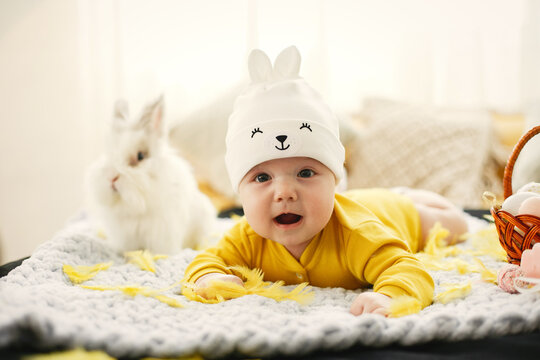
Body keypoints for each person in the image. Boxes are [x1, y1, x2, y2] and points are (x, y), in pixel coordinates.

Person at [183, 46, 468, 316]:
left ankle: (406, 196)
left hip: (397, 211)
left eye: (305, 173)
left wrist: (390, 296)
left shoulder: (357, 234)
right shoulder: (245, 239)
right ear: (240, 193)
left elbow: (408, 269)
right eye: (262, 177)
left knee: (457, 225)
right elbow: (205, 262)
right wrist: (210, 279)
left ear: (334, 180)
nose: (284, 193)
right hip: (364, 201)